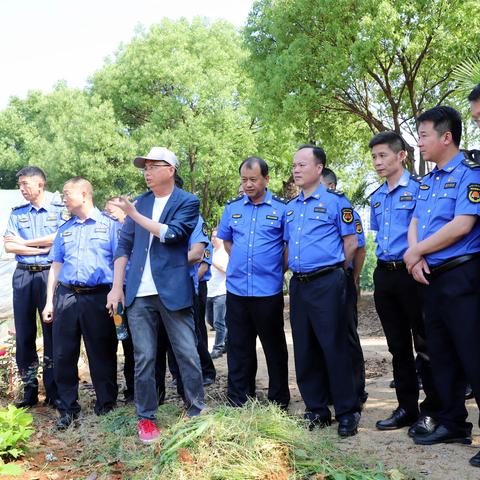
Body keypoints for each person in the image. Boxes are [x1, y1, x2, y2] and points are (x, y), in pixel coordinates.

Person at [106, 146, 204, 444]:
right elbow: (123, 248)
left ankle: (196, 410)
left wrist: (133, 214)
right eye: (144, 167)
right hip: (138, 293)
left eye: (152, 166)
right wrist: (116, 286)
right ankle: (146, 418)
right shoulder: (141, 203)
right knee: (144, 357)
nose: (146, 172)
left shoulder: (187, 202)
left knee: (187, 352)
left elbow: (173, 235)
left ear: (170, 169)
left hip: (172, 290)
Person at [403, 107, 480, 464]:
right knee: (441, 355)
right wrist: (415, 256)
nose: (419, 142)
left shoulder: (470, 174)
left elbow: (463, 224)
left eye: (423, 135)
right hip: (430, 277)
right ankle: (452, 423)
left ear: (445, 137)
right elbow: (417, 218)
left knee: (473, 354)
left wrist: (416, 250)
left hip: (463, 277)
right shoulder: (427, 181)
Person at [285, 145, 360, 437]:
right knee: (304, 349)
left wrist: (334, 272)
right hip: (299, 285)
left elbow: (351, 243)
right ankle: (316, 409)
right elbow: (288, 246)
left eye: (302, 164)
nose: (296, 169)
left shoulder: (336, 202)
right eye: (294, 165)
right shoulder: (290, 208)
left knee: (335, 346)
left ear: (318, 168)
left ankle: (346, 412)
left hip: (328, 281)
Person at [369, 131, 440, 435]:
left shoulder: (421, 190)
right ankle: (406, 408)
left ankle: (434, 410)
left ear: (401, 156)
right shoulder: (376, 198)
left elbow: (427, 232)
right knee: (397, 346)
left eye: (383, 155)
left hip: (413, 273)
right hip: (385, 275)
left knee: (425, 344)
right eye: (373, 157)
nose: (377, 162)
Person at [42, 177, 120, 430]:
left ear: (84, 194)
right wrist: (49, 301)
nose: (63, 198)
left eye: (67, 193)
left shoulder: (110, 226)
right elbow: (56, 265)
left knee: (102, 351)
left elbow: (122, 263)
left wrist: (118, 294)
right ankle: (67, 408)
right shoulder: (65, 229)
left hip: (98, 296)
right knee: (63, 353)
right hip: (66, 295)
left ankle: (106, 404)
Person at [217, 156, 290, 409]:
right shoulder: (232, 208)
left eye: (253, 180)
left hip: (267, 290)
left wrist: (274, 270)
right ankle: (239, 398)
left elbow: (288, 247)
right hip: (236, 289)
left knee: (274, 347)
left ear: (266, 179)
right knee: (238, 346)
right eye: (244, 180)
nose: (247, 185)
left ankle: (278, 399)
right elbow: (227, 241)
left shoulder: (282, 209)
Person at [3, 166, 66, 409]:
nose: (21, 189)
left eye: (25, 184)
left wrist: (26, 243)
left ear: (40, 184)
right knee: (25, 334)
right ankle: (29, 390)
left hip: (49, 275)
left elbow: (58, 239)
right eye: (19, 185)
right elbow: (9, 246)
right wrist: (39, 249)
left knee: (52, 333)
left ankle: (53, 391)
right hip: (23, 276)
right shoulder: (17, 213)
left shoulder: (58, 210)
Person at [320, 167, 367, 405]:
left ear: (331, 186)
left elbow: (359, 248)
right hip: (321, 283)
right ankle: (330, 389)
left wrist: (354, 278)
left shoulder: (344, 209)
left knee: (347, 334)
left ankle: (357, 388)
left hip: (342, 278)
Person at [104, 197, 135, 403]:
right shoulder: (106, 233)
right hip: (110, 293)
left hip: (130, 293)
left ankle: (133, 390)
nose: (109, 214)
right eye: (106, 210)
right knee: (110, 342)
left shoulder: (134, 232)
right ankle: (109, 392)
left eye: (112, 210)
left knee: (132, 345)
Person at [206, 227, 228, 358]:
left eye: (216, 236)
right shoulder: (211, 251)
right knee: (210, 320)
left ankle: (218, 348)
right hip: (210, 291)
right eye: (212, 236)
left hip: (221, 292)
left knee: (219, 322)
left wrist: (212, 261)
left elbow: (225, 269)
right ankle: (227, 341)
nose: (213, 238)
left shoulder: (224, 253)